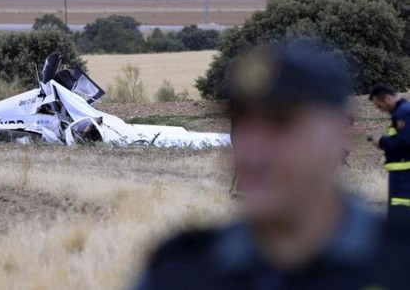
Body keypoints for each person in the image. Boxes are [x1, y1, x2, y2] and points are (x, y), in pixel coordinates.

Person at [136, 43, 410, 289]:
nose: (254, 151)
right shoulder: (180, 273)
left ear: (338, 135)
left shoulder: (399, 263)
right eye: (242, 123)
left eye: (281, 123)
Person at [369, 84, 410, 221]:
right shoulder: (404, 110)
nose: (381, 111)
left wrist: (382, 142)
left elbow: (405, 141)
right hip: (402, 172)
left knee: (400, 209)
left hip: (403, 173)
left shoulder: (402, 113)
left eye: (380, 106)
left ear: (387, 99)